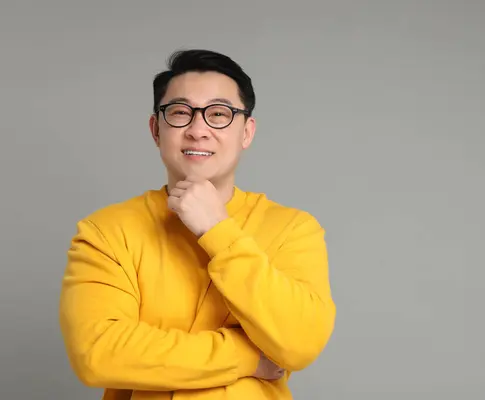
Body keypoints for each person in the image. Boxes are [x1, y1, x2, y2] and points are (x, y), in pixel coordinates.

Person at [58, 49, 336, 400]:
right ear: (156, 129)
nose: (198, 130)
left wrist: (217, 230)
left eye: (219, 114)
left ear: (246, 132)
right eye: (180, 113)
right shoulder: (106, 231)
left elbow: (301, 343)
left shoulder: (293, 229)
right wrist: (248, 356)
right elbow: (97, 354)